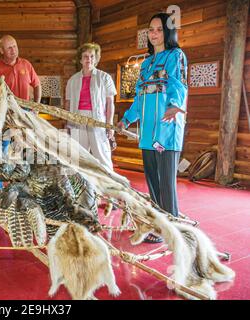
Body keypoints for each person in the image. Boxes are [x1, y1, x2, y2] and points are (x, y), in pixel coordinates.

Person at [117, 13, 188, 243]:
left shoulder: (175, 56)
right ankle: (158, 227)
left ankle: (172, 230)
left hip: (166, 129)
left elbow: (178, 84)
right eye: (151, 30)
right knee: (152, 182)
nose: (154, 33)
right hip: (147, 132)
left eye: (159, 29)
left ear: (168, 33)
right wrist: (127, 119)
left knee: (166, 183)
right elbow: (139, 98)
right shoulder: (146, 63)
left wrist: (175, 105)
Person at [0, 35, 42, 197]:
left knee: (25, 148)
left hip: (25, 112)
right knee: (2, 148)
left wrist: (36, 107)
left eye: (15, 46)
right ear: (1, 50)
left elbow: (37, 84)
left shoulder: (26, 64)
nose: (14, 50)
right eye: (9, 48)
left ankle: (24, 182)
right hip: (5, 114)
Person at [65, 42, 117, 172]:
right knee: (78, 156)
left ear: (96, 58)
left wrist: (109, 124)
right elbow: (68, 103)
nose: (89, 59)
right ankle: (80, 187)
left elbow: (110, 103)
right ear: (81, 59)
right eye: (86, 56)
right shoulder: (72, 80)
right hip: (77, 120)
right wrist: (68, 123)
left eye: (92, 56)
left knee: (102, 155)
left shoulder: (104, 78)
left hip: (98, 121)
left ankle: (110, 187)